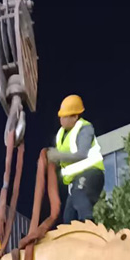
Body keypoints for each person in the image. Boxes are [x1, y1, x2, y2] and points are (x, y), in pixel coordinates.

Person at [47, 94, 105, 224]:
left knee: (80, 194)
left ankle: (89, 225)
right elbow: (64, 159)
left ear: (75, 117)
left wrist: (58, 155)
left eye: (65, 116)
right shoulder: (61, 134)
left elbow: (82, 154)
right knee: (69, 216)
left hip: (91, 173)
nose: (61, 119)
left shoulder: (85, 128)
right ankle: (73, 234)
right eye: (61, 116)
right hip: (75, 180)